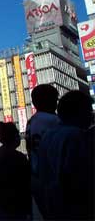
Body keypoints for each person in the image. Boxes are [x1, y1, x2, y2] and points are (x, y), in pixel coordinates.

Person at [38, 90, 94, 220]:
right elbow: (78, 175)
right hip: (76, 207)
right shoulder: (76, 135)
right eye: (88, 111)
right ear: (79, 112)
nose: (91, 116)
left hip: (52, 205)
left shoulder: (47, 136)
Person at [25, 84, 60, 218]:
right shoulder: (54, 120)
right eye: (55, 99)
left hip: (37, 177)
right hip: (53, 178)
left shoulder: (31, 121)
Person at [0, 122, 31, 220]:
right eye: (17, 135)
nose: (19, 138)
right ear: (13, 137)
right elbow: (26, 183)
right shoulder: (18, 157)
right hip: (11, 207)